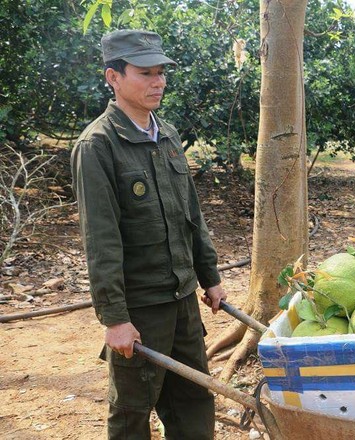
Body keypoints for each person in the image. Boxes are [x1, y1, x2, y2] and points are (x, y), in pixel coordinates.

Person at [71, 29, 227, 439]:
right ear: (114, 77)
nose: (157, 82)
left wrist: (210, 278)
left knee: (194, 399)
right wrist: (115, 318)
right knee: (132, 413)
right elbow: (100, 241)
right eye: (145, 73)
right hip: (140, 308)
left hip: (182, 301)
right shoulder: (98, 146)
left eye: (161, 73)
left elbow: (191, 214)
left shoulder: (169, 135)